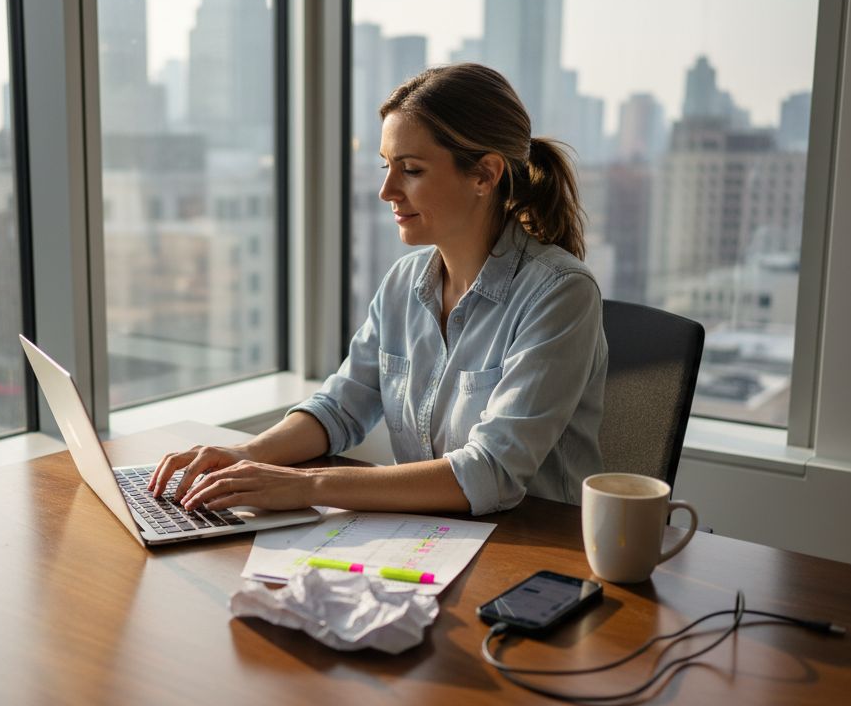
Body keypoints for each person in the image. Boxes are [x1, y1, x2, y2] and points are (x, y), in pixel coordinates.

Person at [150, 63, 607, 516]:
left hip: (534, 550)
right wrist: (247, 456)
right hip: (427, 540)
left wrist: (305, 485)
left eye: (410, 169)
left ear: (484, 175)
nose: (387, 190)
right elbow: (340, 408)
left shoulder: (560, 293)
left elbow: (491, 472)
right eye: (387, 166)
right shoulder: (404, 282)